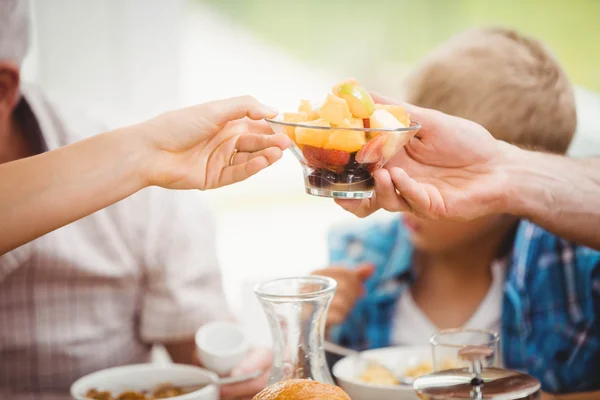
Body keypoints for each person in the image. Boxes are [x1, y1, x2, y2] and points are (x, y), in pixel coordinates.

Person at [0, 2, 284, 399]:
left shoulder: (148, 197)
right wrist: (144, 152)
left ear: (3, 88)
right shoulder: (140, 158)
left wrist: (240, 370)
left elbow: (205, 366)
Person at [316, 28, 600, 398]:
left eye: (432, 166)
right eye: (399, 148)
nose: (400, 181)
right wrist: (315, 325)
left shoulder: (571, 270)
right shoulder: (364, 258)